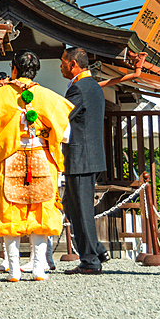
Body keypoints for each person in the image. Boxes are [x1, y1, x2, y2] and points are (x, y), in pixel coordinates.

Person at [0, 50, 72, 282]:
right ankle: (38, 268)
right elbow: (66, 133)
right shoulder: (48, 97)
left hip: (10, 158)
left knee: (9, 212)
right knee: (41, 211)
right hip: (41, 157)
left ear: (13, 68)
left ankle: (14, 269)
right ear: (35, 70)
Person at [59, 47, 110, 275]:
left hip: (81, 157)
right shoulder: (94, 86)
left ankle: (90, 259)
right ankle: (96, 249)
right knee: (72, 205)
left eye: (63, 62)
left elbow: (63, 116)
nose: (60, 67)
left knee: (80, 209)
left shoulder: (79, 88)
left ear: (72, 65)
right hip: (90, 156)